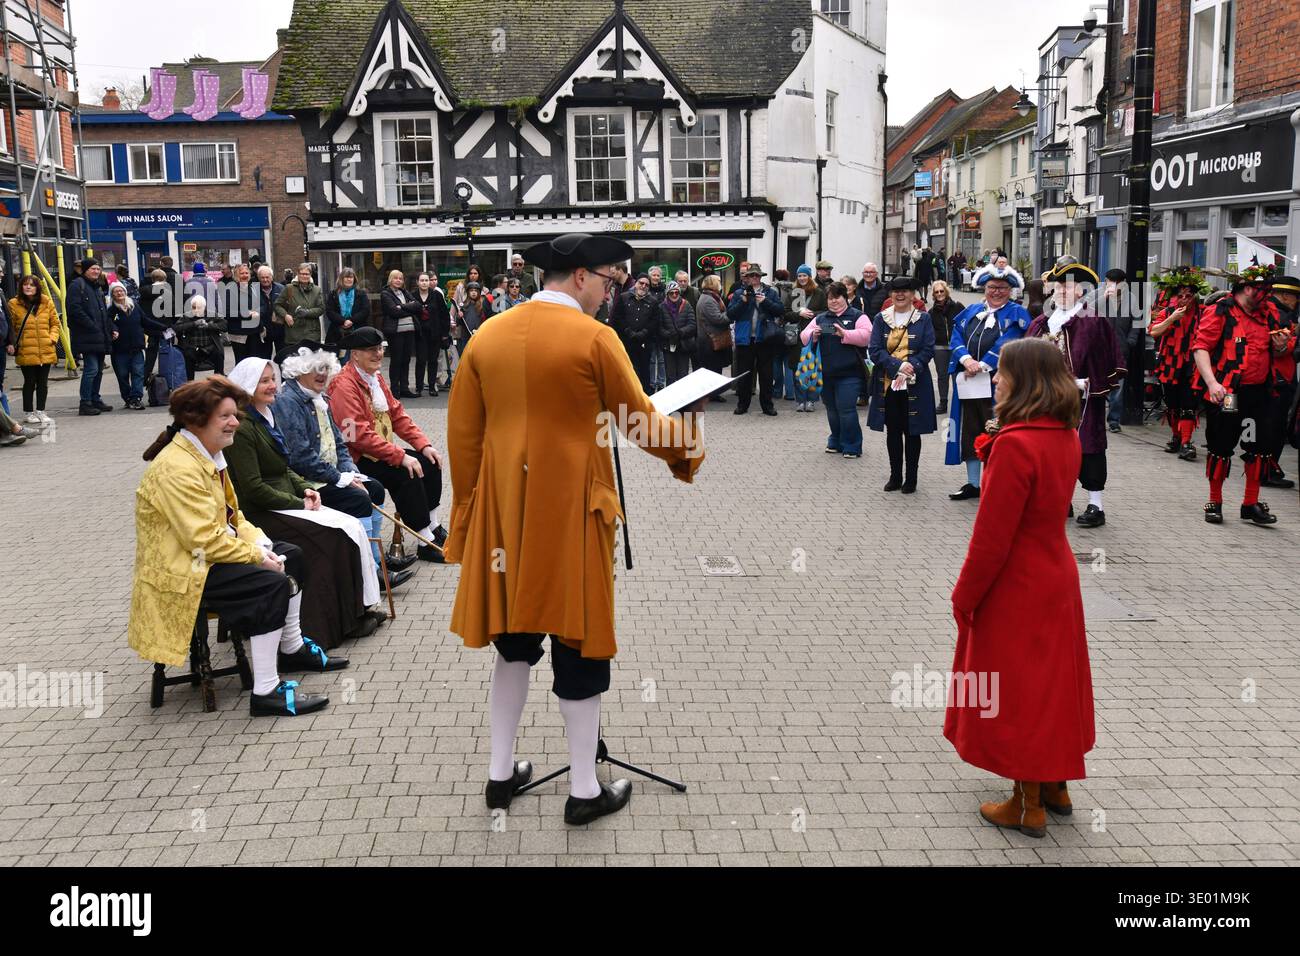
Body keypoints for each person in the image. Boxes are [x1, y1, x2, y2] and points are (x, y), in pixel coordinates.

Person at [445, 232, 705, 825]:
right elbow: (638, 421)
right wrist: (687, 448)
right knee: (578, 644)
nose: (609, 295)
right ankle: (584, 789)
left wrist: (467, 515)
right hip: (573, 513)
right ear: (582, 277)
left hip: (504, 516)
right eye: (609, 283)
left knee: (512, 646)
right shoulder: (595, 338)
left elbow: (463, 436)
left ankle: (499, 774)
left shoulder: (486, 336)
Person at [944, 337, 1095, 837]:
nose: (996, 379)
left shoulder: (1015, 443)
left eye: (1004, 372)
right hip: (1057, 571)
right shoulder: (1065, 433)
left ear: (1024, 380)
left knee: (1019, 689)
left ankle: (1025, 803)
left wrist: (965, 596)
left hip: (1017, 581)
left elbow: (991, 539)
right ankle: (1056, 783)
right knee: (1053, 682)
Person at [130, 377, 333, 718]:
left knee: (291, 555)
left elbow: (233, 517)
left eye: (234, 415)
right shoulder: (177, 468)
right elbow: (203, 540)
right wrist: (257, 557)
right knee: (270, 584)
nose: (235, 422)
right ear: (197, 420)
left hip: (205, 559)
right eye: (225, 416)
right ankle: (265, 691)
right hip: (184, 570)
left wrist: (261, 544)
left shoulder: (207, 456)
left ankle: (292, 647)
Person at [225, 356, 381, 648]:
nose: (273, 386)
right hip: (261, 512)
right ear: (247, 386)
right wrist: (298, 503)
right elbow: (252, 488)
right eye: (264, 381)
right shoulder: (245, 427)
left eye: (273, 379)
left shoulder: (267, 416)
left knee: (349, 527)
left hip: (286, 500)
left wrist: (306, 489)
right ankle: (325, 628)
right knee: (330, 537)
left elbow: (285, 468)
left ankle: (356, 612)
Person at [272, 341, 417, 593]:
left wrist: (351, 473)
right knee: (357, 499)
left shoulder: (319, 396)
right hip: (308, 481)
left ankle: (375, 560)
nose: (323, 374)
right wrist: (340, 478)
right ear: (299, 370)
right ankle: (370, 572)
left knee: (374, 489)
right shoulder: (289, 401)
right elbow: (300, 456)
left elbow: (339, 443)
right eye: (316, 368)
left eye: (326, 368)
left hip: (330, 474)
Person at [329, 325, 447, 561]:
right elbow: (357, 436)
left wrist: (424, 445)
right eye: (371, 350)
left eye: (380, 349)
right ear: (355, 354)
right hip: (356, 459)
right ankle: (424, 539)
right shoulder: (343, 385)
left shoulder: (374, 378)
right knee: (407, 473)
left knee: (430, 463)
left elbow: (397, 414)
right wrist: (401, 456)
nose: (378, 355)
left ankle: (432, 526)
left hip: (379, 450)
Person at [1027, 262, 1126, 528]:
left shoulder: (1092, 322)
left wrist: (1085, 384)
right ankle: (1061, 501)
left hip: (1081, 400)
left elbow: (1109, 361)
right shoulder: (1041, 322)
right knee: (1050, 451)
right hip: (1046, 401)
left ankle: (1096, 505)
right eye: (1058, 286)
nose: (1061, 291)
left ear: (1081, 291)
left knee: (1088, 449)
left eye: (1067, 286)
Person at [1192, 265, 1286, 526]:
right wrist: (1212, 384)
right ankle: (1215, 501)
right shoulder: (1220, 311)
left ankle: (1250, 503)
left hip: (1259, 393)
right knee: (1222, 443)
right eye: (1263, 291)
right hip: (1229, 394)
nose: (1268, 296)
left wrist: (1279, 347)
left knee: (1259, 445)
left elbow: (1276, 351)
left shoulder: (1268, 314)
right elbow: (1200, 348)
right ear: (1247, 289)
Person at [944, 270, 1031, 500]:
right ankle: (974, 484)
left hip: (998, 383)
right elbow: (956, 337)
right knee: (969, 429)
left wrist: (982, 365)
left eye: (1002, 288)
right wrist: (966, 360)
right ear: (984, 288)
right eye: (992, 287)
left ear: (1010, 290)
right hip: (968, 382)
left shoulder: (1016, 313)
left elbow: (1009, 341)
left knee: (998, 431)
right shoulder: (972, 311)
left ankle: (996, 483)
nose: (996, 292)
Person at [867, 277, 937, 490]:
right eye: (896, 291)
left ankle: (911, 478)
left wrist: (912, 365)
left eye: (905, 291)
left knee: (912, 431)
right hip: (889, 383)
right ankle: (895, 476)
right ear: (891, 295)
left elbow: (928, 348)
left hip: (915, 383)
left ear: (912, 294)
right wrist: (897, 366)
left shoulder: (923, 319)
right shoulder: (881, 318)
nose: (900, 295)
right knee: (894, 430)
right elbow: (875, 349)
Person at [800, 280, 869, 456]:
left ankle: (852, 445)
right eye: (830, 298)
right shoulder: (821, 318)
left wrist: (845, 334)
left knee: (846, 409)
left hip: (850, 373)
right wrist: (813, 335)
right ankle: (836, 440)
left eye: (837, 297)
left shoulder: (857, 316)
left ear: (845, 297)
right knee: (831, 409)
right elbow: (803, 335)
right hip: (826, 373)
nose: (833, 301)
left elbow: (868, 336)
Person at [1150, 267, 1211, 462]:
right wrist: (1172, 318)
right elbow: (1154, 332)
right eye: (1181, 296)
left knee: (1188, 405)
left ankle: (1186, 442)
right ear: (1175, 297)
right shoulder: (1168, 311)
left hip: (1193, 366)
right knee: (1172, 405)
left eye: (1189, 296)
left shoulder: (1203, 313)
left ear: (1195, 297)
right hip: (1170, 364)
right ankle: (1176, 437)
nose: (1184, 299)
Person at [727, 263, 785, 416]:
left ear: (760, 277)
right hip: (745, 340)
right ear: (747, 277)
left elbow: (780, 310)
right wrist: (743, 301)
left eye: (756, 275)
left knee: (766, 375)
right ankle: (742, 405)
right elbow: (731, 314)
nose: (754, 278)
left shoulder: (770, 292)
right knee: (744, 375)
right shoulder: (740, 293)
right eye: (751, 275)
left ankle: (767, 406)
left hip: (764, 339)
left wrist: (764, 301)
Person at [6, 274, 61, 425]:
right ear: (21, 287)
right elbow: (10, 326)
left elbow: (55, 323)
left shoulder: (46, 301)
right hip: (26, 349)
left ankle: (41, 411)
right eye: (25, 284)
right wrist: (12, 343)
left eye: (32, 284)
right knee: (29, 381)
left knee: (43, 382)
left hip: (46, 347)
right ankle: (28, 412)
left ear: (37, 287)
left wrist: (52, 338)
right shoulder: (13, 303)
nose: (28, 287)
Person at [1092, 268, 1142, 434]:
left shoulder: (1131, 299)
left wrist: (1131, 340)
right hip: (1099, 346)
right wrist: (1104, 297)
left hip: (1121, 347)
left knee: (1118, 386)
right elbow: (1087, 311)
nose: (1111, 285)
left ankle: (1113, 420)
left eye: (1115, 283)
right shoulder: (1099, 295)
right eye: (1108, 282)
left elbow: (1137, 320)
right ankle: (1096, 418)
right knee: (1097, 383)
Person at [1263, 275, 1299, 488]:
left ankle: (1268, 468)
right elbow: (1280, 348)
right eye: (1296, 297)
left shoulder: (1272, 312)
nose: (1297, 302)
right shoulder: (1281, 316)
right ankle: (1267, 470)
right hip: (1279, 379)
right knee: (1274, 428)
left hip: (1273, 378)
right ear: (1286, 295)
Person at [67, 258, 114, 416]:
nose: (96, 271)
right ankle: (85, 402)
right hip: (87, 335)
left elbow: (103, 312)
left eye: (98, 269)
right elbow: (74, 309)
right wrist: (92, 325)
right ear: (85, 270)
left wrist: (109, 328)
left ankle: (95, 399)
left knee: (99, 370)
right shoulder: (77, 285)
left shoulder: (97, 287)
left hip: (99, 335)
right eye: (93, 268)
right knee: (91, 369)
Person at [109, 280, 165, 410]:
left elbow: (145, 321)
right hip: (120, 349)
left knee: (138, 373)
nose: (119, 293)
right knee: (122, 376)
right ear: (113, 295)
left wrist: (163, 327)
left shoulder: (134, 306)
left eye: (121, 290)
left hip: (137, 347)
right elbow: (108, 323)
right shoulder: (112, 310)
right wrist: (113, 329)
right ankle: (127, 398)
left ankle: (136, 398)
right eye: (116, 291)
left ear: (125, 292)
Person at [615, 274, 660, 392]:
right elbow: (617, 317)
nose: (643, 286)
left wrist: (644, 333)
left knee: (644, 373)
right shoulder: (623, 297)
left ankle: (644, 400)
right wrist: (628, 331)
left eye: (646, 285)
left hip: (644, 343)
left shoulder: (653, 302)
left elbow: (655, 321)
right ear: (636, 283)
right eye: (641, 283)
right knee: (628, 372)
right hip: (626, 342)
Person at [380, 270, 421, 398]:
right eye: (396, 278)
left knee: (406, 360)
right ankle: (394, 389)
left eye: (401, 278)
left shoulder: (405, 292)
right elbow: (393, 311)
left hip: (409, 330)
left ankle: (404, 388)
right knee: (396, 360)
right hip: (395, 332)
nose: (398, 280)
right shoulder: (385, 294)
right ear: (390, 280)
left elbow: (418, 306)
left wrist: (401, 307)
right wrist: (409, 308)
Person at [411, 272, 451, 396]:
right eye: (422, 280)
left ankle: (432, 386)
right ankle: (419, 387)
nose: (424, 283)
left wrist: (445, 333)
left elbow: (444, 315)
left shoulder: (436, 295)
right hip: (419, 334)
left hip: (435, 333)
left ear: (429, 282)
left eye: (426, 280)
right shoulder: (412, 296)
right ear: (417, 282)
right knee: (421, 360)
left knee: (433, 360)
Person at [928, 281, 963, 416]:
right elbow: (929, 330)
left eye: (941, 291)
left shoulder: (957, 306)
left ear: (946, 291)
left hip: (956, 347)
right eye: (936, 292)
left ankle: (958, 402)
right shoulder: (931, 312)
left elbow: (966, 322)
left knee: (956, 376)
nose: (939, 294)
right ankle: (943, 402)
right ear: (934, 295)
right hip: (940, 347)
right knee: (942, 376)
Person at [174, 294, 227, 380]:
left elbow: (224, 325)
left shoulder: (212, 314)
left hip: (210, 347)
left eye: (199, 307)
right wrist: (193, 324)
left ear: (204, 307)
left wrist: (209, 325)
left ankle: (217, 382)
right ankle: (190, 384)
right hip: (192, 348)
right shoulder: (187, 316)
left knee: (219, 354)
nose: (196, 310)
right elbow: (176, 328)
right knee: (188, 356)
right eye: (194, 307)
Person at [274, 263, 326, 350]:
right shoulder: (289, 288)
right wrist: (285, 315)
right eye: (302, 274)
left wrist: (307, 312)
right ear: (297, 274)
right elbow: (277, 305)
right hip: (293, 335)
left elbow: (321, 309)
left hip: (312, 335)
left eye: (307, 274)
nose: (304, 276)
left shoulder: (317, 290)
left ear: (310, 275)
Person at [324, 267, 371, 356]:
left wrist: (351, 320)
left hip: (357, 331)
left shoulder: (361, 293)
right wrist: (343, 321)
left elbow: (365, 311)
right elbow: (330, 311)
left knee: (357, 359)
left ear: (354, 279)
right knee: (341, 361)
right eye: (346, 277)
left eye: (351, 277)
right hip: (338, 332)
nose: (349, 279)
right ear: (342, 279)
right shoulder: (333, 294)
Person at [695, 274, 731, 387]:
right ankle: (713, 393)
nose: (720, 283)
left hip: (711, 339)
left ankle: (714, 392)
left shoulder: (712, 296)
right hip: (710, 340)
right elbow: (718, 319)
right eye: (718, 281)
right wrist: (731, 314)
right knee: (712, 369)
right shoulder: (708, 300)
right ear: (712, 284)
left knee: (715, 367)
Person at [659, 280, 696, 385]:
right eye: (671, 292)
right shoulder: (661, 307)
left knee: (683, 376)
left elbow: (692, 325)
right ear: (667, 293)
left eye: (677, 292)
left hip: (684, 345)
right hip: (668, 345)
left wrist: (680, 332)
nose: (674, 295)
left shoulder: (686, 305)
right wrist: (669, 334)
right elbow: (659, 327)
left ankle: (684, 400)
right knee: (670, 376)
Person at [139, 268, 173, 381]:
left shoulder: (143, 292)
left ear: (152, 278)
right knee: (166, 353)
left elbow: (141, 309)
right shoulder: (167, 291)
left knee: (150, 354)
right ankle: (165, 378)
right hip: (165, 327)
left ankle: (145, 377)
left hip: (150, 328)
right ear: (164, 279)